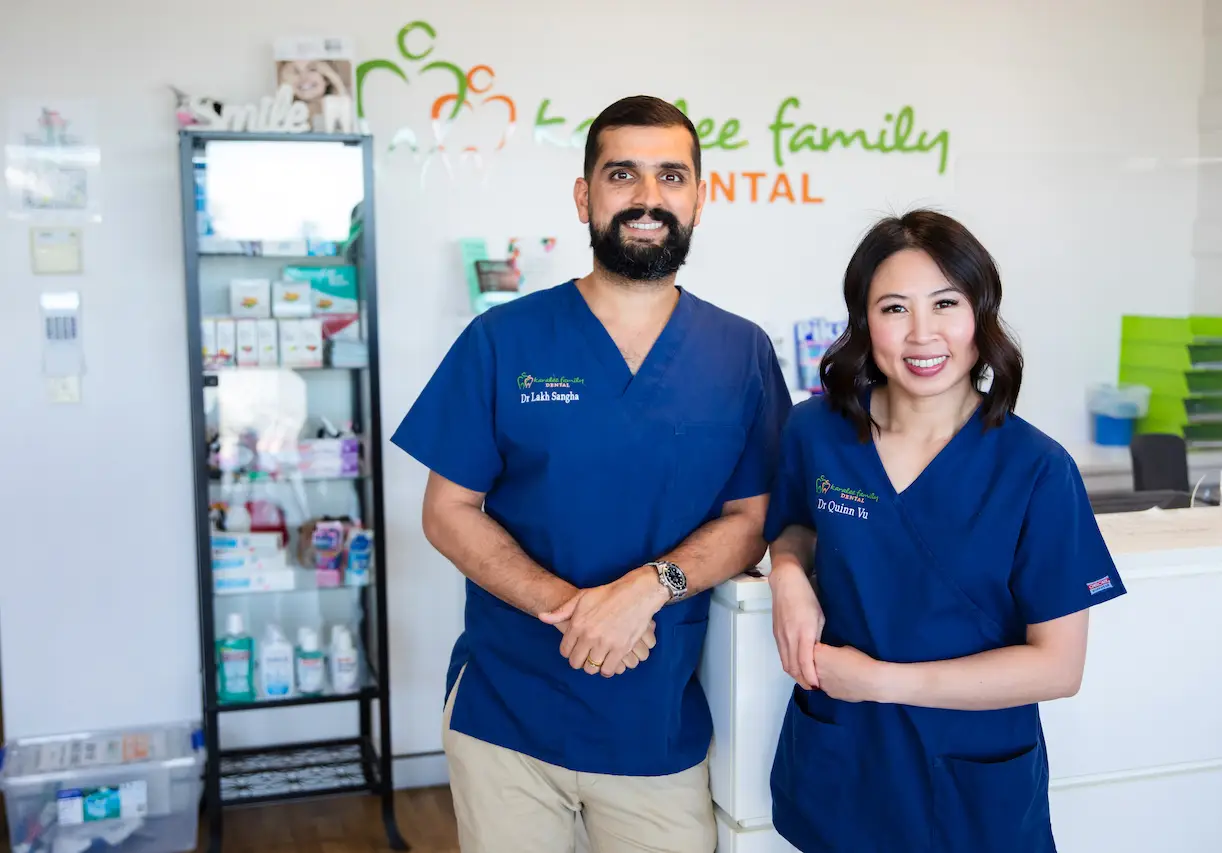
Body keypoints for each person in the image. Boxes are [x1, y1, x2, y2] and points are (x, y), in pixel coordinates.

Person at [391, 95, 792, 853]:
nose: (647, 196)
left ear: (699, 197)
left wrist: (646, 590)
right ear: (584, 196)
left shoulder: (739, 353)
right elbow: (447, 510)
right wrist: (577, 610)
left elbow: (751, 521)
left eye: (671, 176)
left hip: (656, 725)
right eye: (621, 174)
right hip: (507, 718)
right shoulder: (502, 339)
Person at [764, 209, 1126, 853]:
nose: (922, 334)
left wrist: (881, 682)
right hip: (844, 765)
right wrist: (788, 575)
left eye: (946, 303)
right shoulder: (815, 432)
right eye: (894, 308)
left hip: (969, 785)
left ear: (981, 316)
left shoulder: (1037, 469)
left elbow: (1058, 667)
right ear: (863, 321)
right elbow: (794, 523)